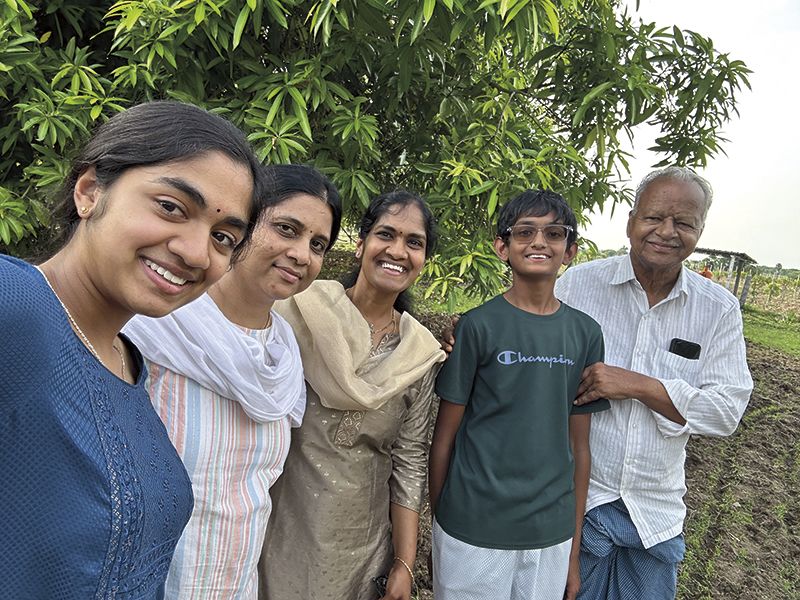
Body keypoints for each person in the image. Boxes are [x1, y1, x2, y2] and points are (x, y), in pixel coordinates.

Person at [0, 101, 263, 599]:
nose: (196, 251)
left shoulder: (128, 363)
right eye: (170, 207)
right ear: (89, 191)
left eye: (224, 237)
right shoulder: (15, 306)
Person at [123, 164, 342, 598]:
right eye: (286, 228)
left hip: (235, 579)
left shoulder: (284, 354)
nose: (301, 254)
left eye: (317, 244)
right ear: (240, 227)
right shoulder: (155, 329)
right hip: (151, 579)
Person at [555, 167, 753, 599]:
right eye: (654, 218)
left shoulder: (717, 309)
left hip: (655, 514)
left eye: (683, 222)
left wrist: (639, 385)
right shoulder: (578, 286)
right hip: (578, 503)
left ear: (699, 231)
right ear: (631, 222)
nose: (667, 232)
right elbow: (532, 356)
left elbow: (725, 411)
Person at [259, 190, 446, 600]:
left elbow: (409, 462)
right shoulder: (298, 313)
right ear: (361, 245)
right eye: (386, 234)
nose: (398, 250)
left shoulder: (418, 354)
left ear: (423, 260)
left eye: (414, 242)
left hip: (362, 547)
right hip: (276, 529)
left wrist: (403, 562)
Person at [429, 190, 610, 600]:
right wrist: (441, 524)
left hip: (550, 532)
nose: (539, 242)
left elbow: (580, 448)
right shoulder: (476, 327)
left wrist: (574, 552)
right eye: (525, 232)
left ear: (571, 250)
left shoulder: (585, 334)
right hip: (472, 526)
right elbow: (444, 438)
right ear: (502, 247)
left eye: (554, 233)